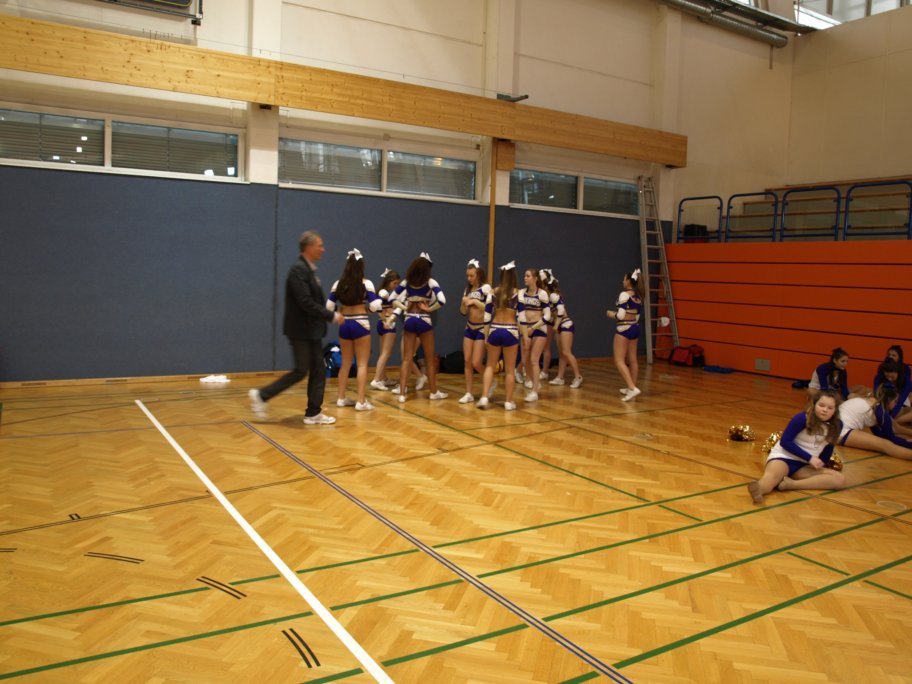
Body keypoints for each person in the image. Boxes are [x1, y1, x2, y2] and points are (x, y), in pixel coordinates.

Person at [249, 231, 343, 424]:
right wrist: (331, 315)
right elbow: (305, 302)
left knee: (318, 370)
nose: (323, 249)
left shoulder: (308, 269)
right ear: (309, 247)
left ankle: (313, 413)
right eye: (320, 245)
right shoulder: (298, 270)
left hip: (311, 330)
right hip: (301, 330)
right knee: (301, 370)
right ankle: (262, 395)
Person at [747, 390, 846, 505]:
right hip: (784, 458)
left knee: (840, 479)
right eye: (821, 405)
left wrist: (821, 463)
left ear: (835, 410)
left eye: (830, 408)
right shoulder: (802, 418)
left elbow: (829, 447)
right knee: (772, 477)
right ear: (814, 404)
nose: (825, 410)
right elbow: (785, 441)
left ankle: (792, 485)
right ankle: (759, 489)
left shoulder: (837, 425)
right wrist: (809, 458)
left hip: (805, 466)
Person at [326, 249, 382, 411]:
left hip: (344, 323)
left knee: (345, 363)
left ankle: (341, 398)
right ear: (362, 266)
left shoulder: (338, 284)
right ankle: (361, 401)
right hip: (361, 323)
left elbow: (328, 307)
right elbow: (375, 306)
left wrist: (340, 310)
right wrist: (367, 308)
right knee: (362, 364)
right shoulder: (366, 283)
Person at [390, 252, 448, 403]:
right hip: (424, 320)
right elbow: (442, 300)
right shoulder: (431, 282)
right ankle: (433, 392)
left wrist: (405, 307)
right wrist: (429, 308)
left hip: (410, 319)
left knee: (406, 359)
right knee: (429, 359)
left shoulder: (406, 282)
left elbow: (391, 298)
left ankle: (402, 394)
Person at [369, 268, 421, 391]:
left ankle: (383, 378)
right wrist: (385, 319)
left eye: (398, 283)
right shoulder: (385, 293)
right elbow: (376, 306)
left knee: (383, 353)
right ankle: (376, 379)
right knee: (386, 354)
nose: (396, 286)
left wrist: (382, 318)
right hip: (388, 324)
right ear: (388, 281)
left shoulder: (385, 292)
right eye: (395, 283)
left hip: (382, 323)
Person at [477, 261, 520, 410]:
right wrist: (525, 336)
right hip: (511, 331)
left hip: (494, 330)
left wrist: (486, 336)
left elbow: (487, 316)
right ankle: (508, 402)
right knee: (510, 369)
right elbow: (522, 319)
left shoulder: (493, 292)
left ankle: (484, 397)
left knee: (490, 365)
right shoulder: (518, 293)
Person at [838, 383, 912, 460]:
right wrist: (908, 443)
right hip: (841, 431)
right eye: (895, 401)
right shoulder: (880, 411)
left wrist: (905, 441)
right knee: (886, 445)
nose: (896, 405)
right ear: (889, 400)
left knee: (885, 443)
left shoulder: (871, 402)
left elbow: (879, 435)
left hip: (835, 428)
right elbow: (891, 439)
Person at [606, 268, 644, 401]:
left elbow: (621, 315)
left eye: (624, 279)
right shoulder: (638, 297)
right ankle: (631, 387)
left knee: (619, 360)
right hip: (635, 328)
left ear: (628, 281)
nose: (622, 281)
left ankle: (632, 388)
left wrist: (611, 314)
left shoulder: (624, 295)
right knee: (633, 359)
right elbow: (637, 317)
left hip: (624, 328)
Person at [458, 259, 491, 404]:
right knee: (467, 361)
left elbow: (490, 308)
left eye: (471, 275)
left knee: (476, 362)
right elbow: (463, 312)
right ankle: (469, 393)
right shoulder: (467, 290)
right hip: (469, 327)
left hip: (481, 328)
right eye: (467, 276)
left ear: (478, 274)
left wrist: (475, 302)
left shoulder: (486, 288)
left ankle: (490, 381)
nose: (469, 278)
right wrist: (463, 303)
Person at [518, 267, 551, 402]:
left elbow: (547, 316)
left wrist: (533, 327)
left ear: (535, 279)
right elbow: (520, 314)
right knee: (525, 359)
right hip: (525, 329)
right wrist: (524, 330)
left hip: (539, 328)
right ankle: (534, 382)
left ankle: (534, 392)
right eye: (525, 276)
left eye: (528, 276)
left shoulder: (542, 294)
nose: (525, 278)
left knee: (534, 359)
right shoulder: (521, 293)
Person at [545, 271, 583, 388]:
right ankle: (560, 377)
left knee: (566, 352)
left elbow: (561, 311)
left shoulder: (553, 295)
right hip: (560, 327)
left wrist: (556, 325)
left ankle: (578, 376)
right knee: (562, 354)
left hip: (565, 324)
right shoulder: (548, 297)